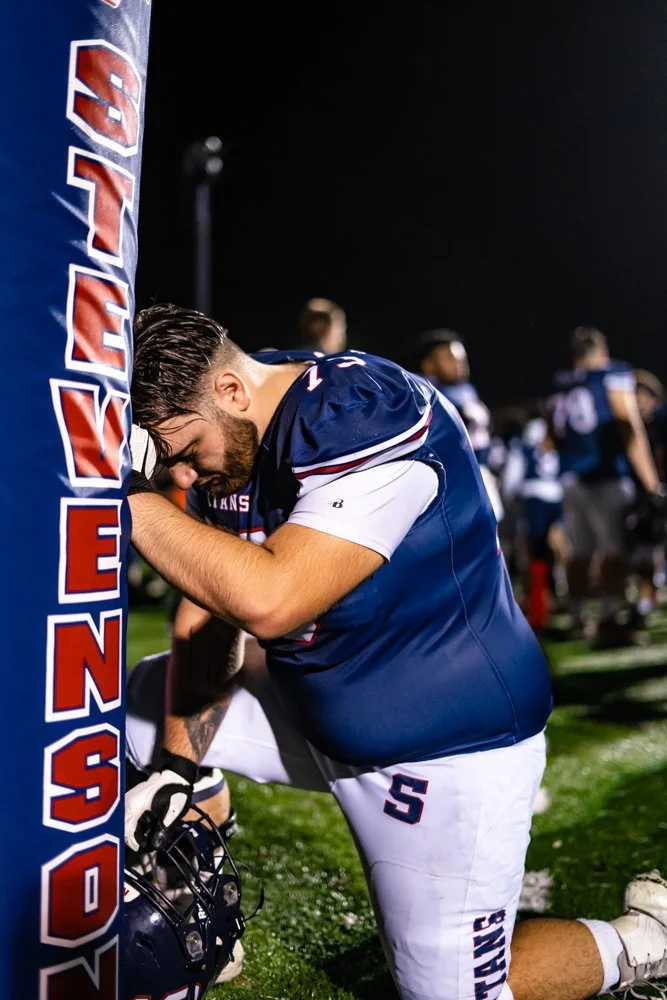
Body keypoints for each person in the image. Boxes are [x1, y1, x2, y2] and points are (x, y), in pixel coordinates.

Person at [125, 303, 667, 1000]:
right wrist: (178, 766)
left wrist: (129, 498)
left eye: (182, 453)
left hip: (443, 747)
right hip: (318, 699)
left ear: (230, 390)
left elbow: (268, 599)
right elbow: (211, 606)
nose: (182, 478)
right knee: (128, 709)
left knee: (455, 995)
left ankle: (641, 940)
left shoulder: (361, 412)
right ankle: (203, 908)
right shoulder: (232, 423)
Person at [548, 326, 665, 648]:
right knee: (617, 551)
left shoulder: (561, 385)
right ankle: (610, 620)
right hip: (605, 475)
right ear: (601, 352)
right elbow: (628, 423)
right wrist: (652, 482)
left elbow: (551, 434)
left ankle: (576, 618)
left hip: (571, 478)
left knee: (580, 553)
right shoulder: (611, 374)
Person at [414, 328, 504, 522]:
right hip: (450, 479)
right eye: (449, 358)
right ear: (429, 364)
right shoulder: (424, 392)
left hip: (479, 472)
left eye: (461, 358)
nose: (459, 362)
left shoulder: (467, 391)